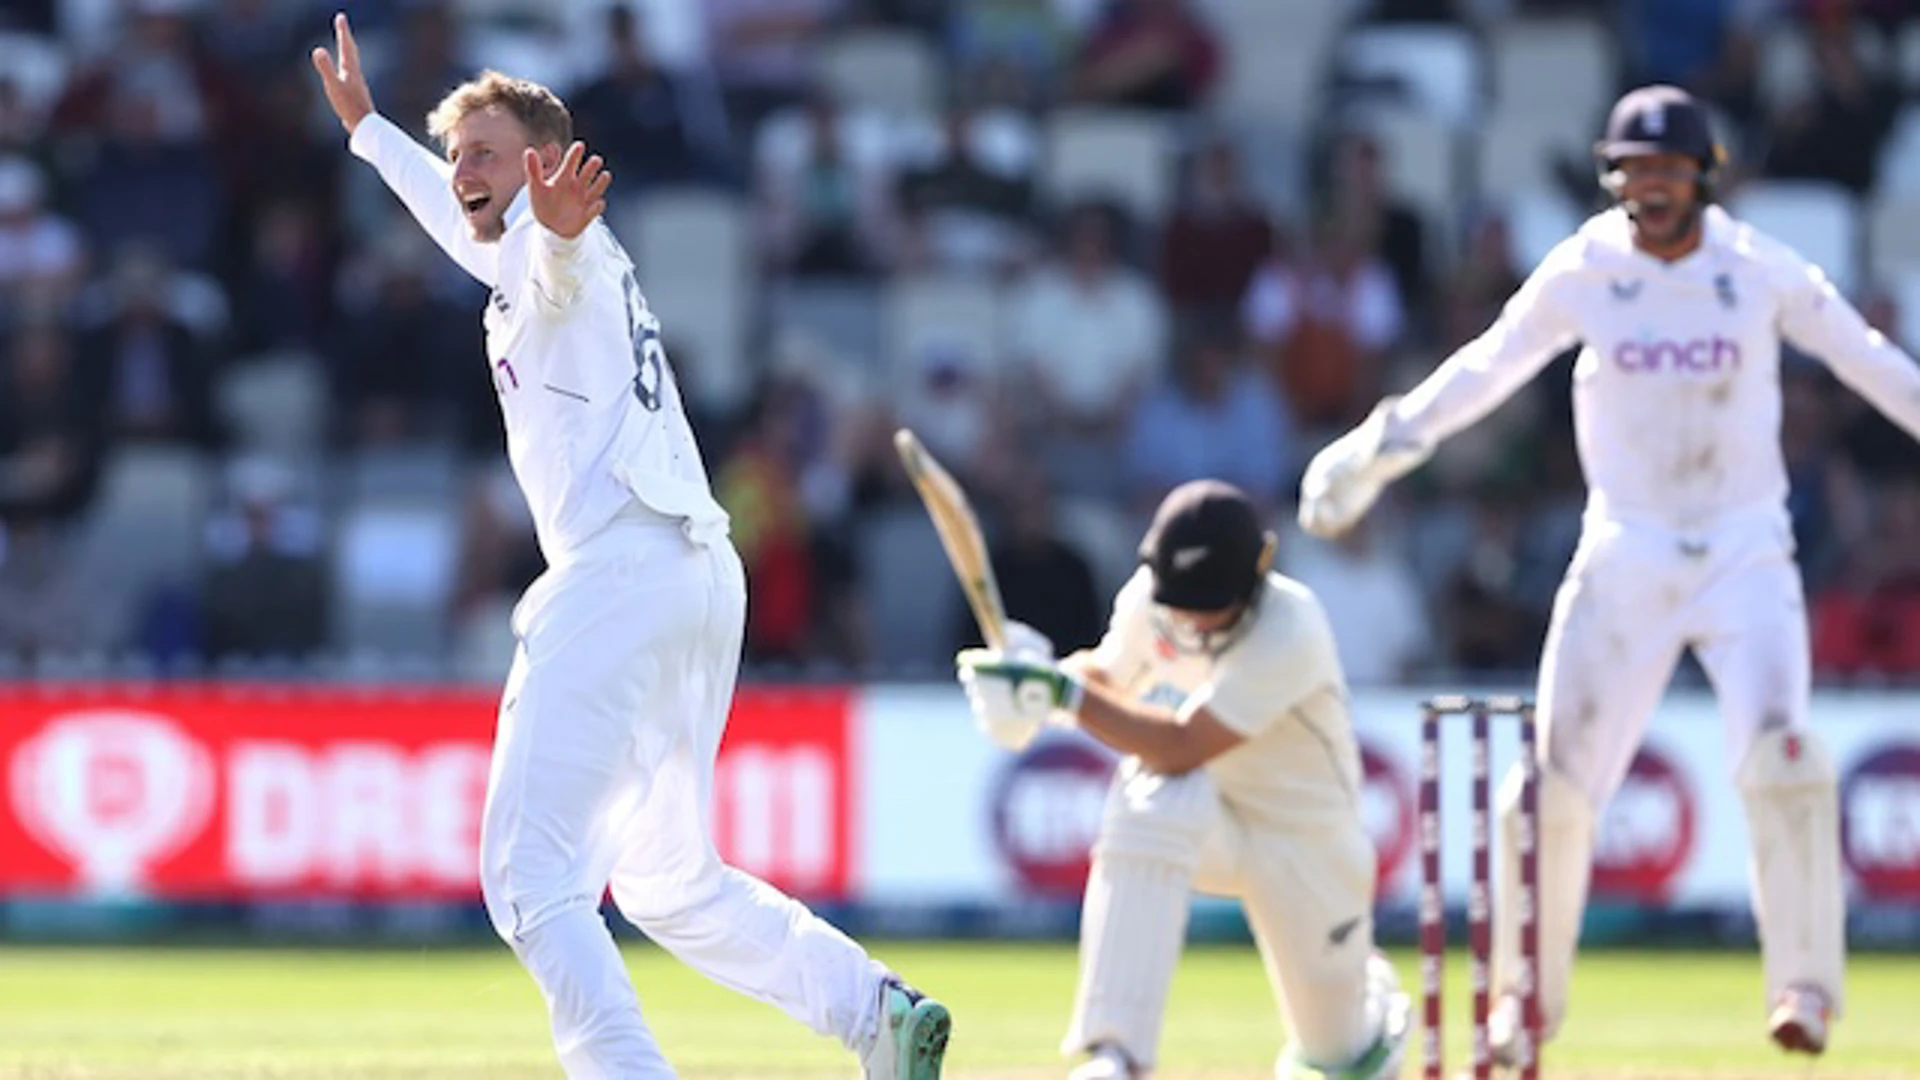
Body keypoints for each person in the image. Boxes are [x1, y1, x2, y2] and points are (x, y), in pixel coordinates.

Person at [309, 15, 950, 1079]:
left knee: (528, 879)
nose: (461, 171)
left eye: (483, 153)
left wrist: (555, 232)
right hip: (696, 575)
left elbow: (550, 267)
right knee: (667, 880)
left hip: (618, 574)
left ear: (547, 167)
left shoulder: (558, 249)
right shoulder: (518, 249)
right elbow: (472, 232)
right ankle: (877, 1012)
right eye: (455, 152)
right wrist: (374, 132)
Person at [1299, 84, 1920, 1062]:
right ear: (1612, 175)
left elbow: (1870, 360)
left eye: (1669, 171)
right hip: (1624, 550)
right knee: (1546, 792)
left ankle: (1803, 985)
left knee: (1783, 760)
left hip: (1745, 553)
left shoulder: (1756, 271)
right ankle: (1520, 1010)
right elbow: (1487, 366)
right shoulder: (1586, 269)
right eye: (1634, 171)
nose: (1651, 189)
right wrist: (1382, 445)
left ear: (1703, 176)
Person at [955, 480, 1410, 1080]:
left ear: (1257, 574)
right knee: (1151, 794)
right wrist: (1039, 675)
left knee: (1340, 1061)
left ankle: (1367, 1002)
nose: (1191, 621)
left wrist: (1060, 694)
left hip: (1307, 847)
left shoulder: (1291, 628)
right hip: (1211, 818)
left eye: (1208, 603)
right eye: (1181, 601)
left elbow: (1182, 742)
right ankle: (1116, 1054)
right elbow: (1110, 679)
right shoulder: (1153, 597)